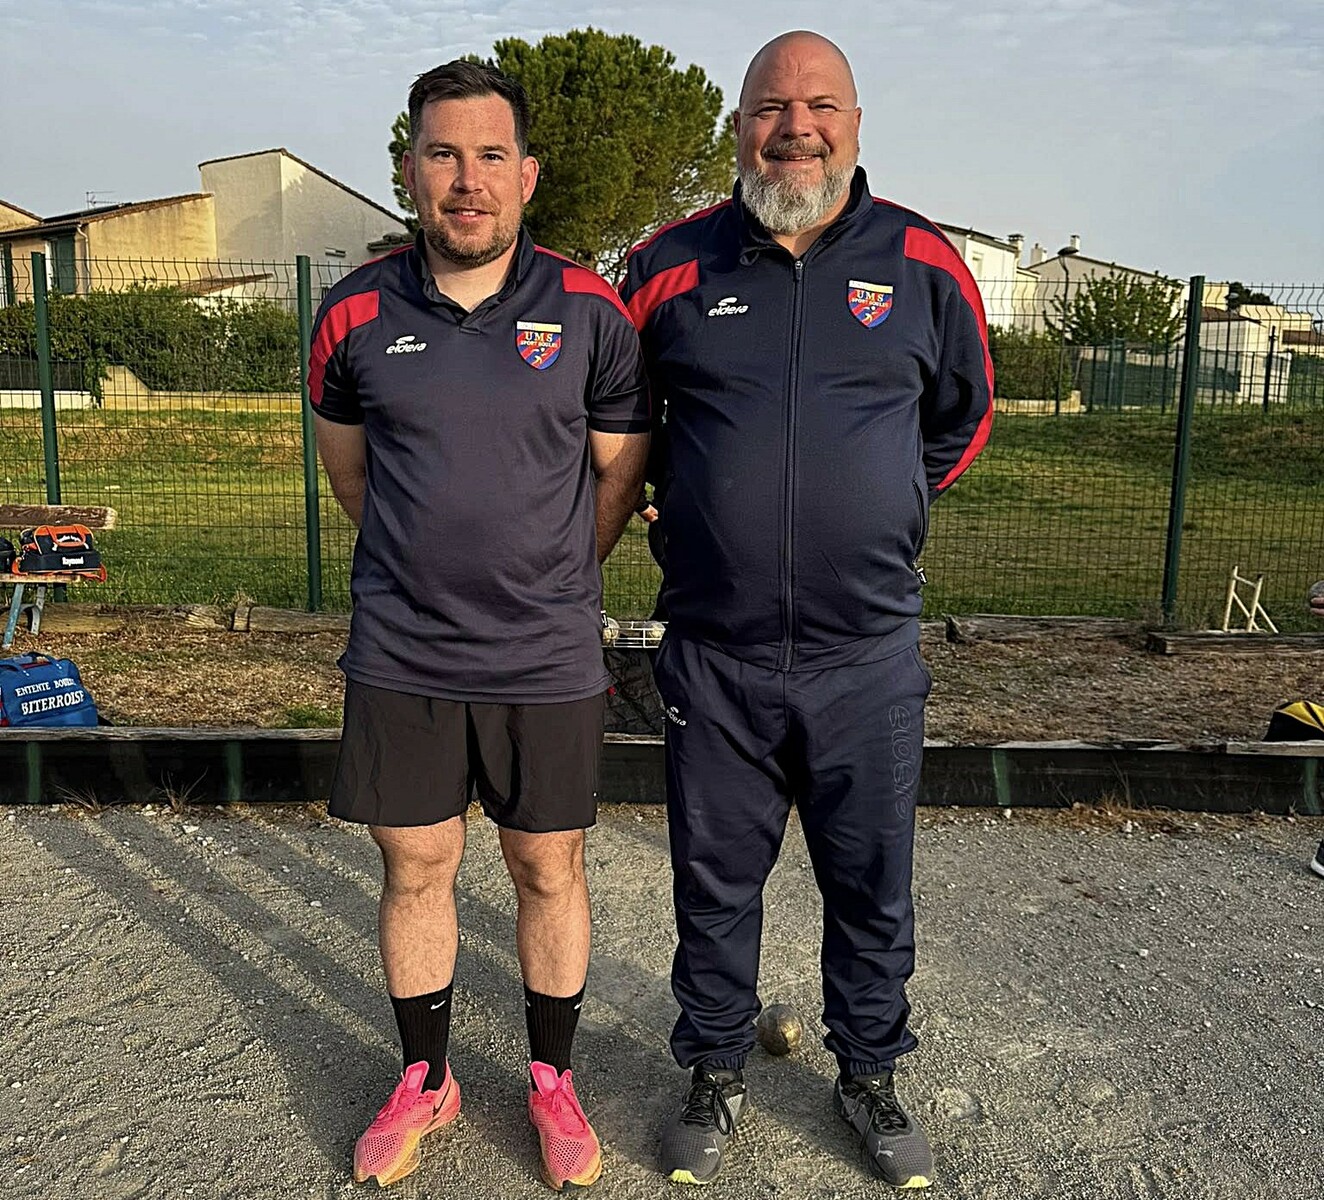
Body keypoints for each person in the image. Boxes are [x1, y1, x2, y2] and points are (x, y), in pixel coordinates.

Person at [621, 30, 992, 1190]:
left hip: (863, 655)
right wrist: (680, 500)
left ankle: (869, 1070)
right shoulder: (666, 266)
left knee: (870, 883)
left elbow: (963, 414)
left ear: (855, 124)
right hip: (716, 653)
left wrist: (879, 501)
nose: (796, 128)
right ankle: (713, 1067)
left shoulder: (923, 263)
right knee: (713, 884)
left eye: (819, 106)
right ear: (738, 127)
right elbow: (619, 421)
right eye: (770, 108)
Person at [310, 61, 649, 1190]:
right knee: (417, 865)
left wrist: (550, 578)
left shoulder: (590, 311)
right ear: (409, 170)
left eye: (490, 155)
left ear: (527, 175)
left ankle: (552, 1080)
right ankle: (426, 1078)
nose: (468, 180)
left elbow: (616, 472)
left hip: (544, 653)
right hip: (402, 652)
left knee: (547, 866)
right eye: (443, 154)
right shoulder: (353, 311)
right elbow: (352, 477)